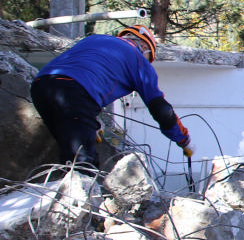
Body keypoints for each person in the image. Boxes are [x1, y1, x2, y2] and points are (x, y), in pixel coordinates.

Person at [30, 24, 191, 171]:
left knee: (69, 153)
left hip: (41, 86)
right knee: (83, 165)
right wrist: (184, 140)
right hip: (75, 92)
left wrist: (91, 122)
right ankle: (80, 200)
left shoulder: (94, 39)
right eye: (149, 58)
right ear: (144, 46)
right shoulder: (138, 59)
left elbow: (86, 71)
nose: (147, 62)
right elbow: (162, 110)